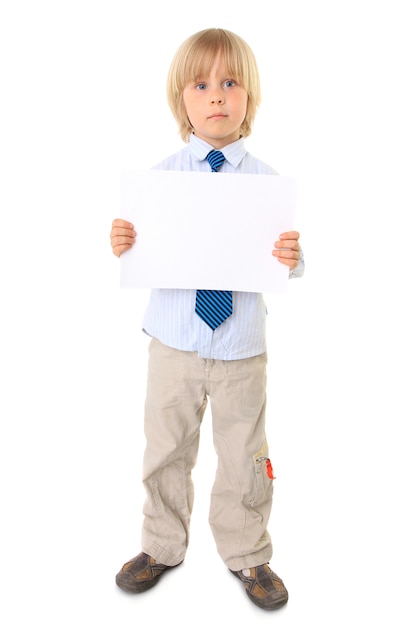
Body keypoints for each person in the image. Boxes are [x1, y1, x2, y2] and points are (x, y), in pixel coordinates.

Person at [110, 27, 304, 611]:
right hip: (173, 341)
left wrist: (294, 258)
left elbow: (286, 260)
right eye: (202, 85)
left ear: (250, 99)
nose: (217, 95)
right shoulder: (160, 180)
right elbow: (140, 247)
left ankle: (248, 553)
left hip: (242, 344)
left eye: (230, 82)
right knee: (166, 448)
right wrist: (124, 240)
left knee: (246, 453)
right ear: (182, 101)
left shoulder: (268, 184)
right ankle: (162, 544)